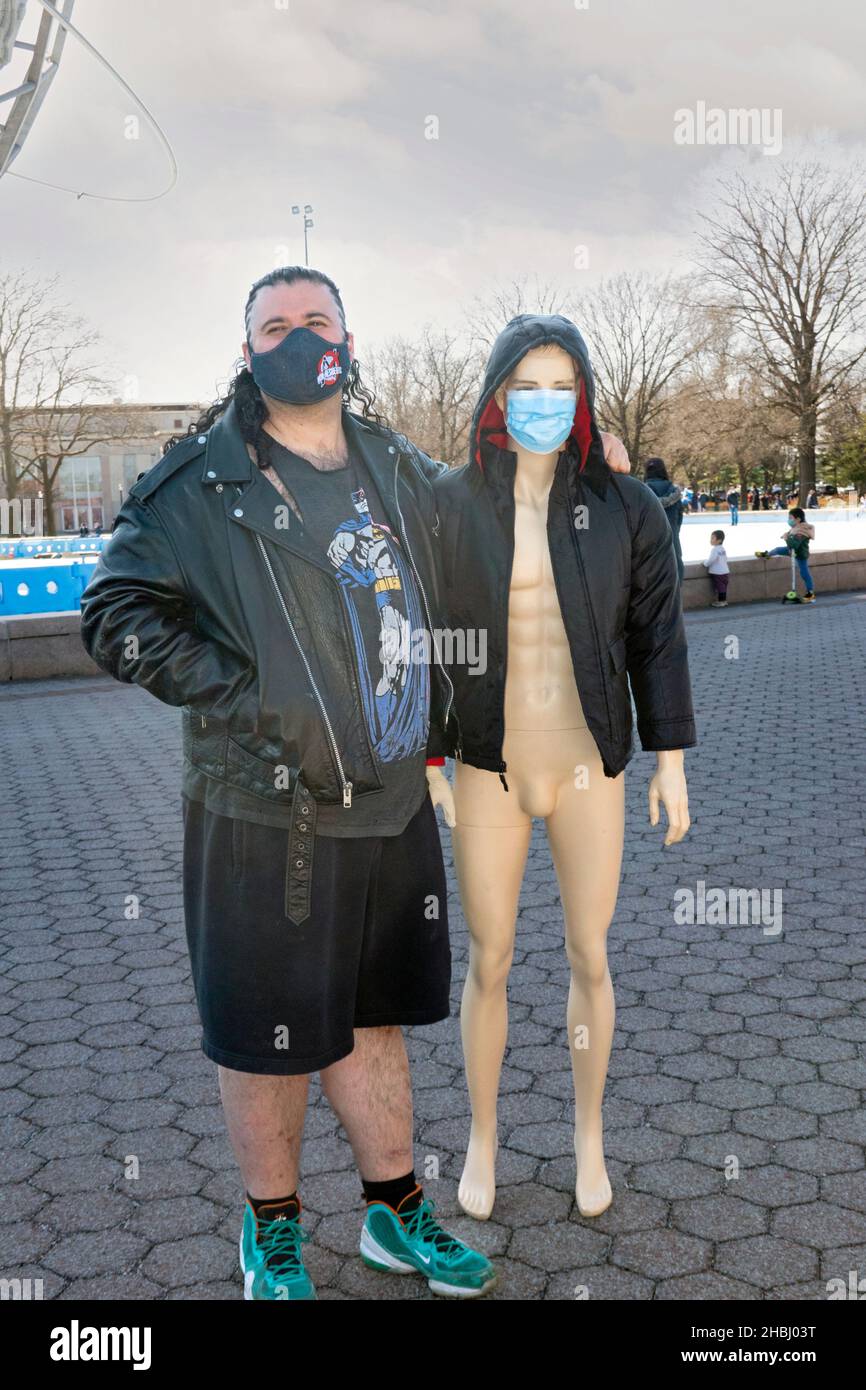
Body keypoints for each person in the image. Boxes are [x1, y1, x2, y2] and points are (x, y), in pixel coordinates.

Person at [80, 265, 497, 1300]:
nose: (299, 335)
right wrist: (250, 694)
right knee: (265, 1032)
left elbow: (472, 556)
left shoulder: (394, 463)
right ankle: (270, 1228)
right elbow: (116, 612)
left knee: (375, 1016)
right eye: (276, 323)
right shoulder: (198, 482)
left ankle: (394, 1212)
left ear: (347, 340)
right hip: (263, 807)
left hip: (391, 799)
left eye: (317, 319)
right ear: (246, 348)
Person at [428, 315, 696, 1222]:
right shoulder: (452, 502)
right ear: (498, 395)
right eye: (526, 386)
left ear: (581, 396)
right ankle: (483, 1137)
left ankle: (589, 1134)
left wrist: (670, 760)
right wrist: (430, 752)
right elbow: (421, 636)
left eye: (561, 387)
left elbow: (656, 637)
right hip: (488, 764)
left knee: (591, 952)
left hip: (589, 762)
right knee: (491, 958)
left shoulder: (627, 509)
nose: (544, 404)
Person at [755, 506, 816, 601]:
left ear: (798, 519)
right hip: (791, 551)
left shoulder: (802, 530)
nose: (789, 520)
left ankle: (810, 593)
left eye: (790, 518)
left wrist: (786, 537)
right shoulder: (796, 527)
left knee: (804, 573)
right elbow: (791, 539)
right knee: (777, 549)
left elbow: (795, 544)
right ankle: (767, 555)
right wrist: (787, 535)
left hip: (800, 554)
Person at [643, 457, 684, 580]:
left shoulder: (642, 490)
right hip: (673, 540)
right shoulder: (674, 491)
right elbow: (679, 517)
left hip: (651, 544)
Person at [703, 529, 730, 606]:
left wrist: (705, 563)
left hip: (718, 572)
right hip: (725, 571)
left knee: (720, 587)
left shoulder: (715, 549)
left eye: (712, 538)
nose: (710, 540)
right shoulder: (722, 549)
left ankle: (721, 602)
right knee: (723, 587)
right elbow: (725, 558)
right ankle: (724, 601)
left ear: (719, 540)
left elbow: (711, 560)